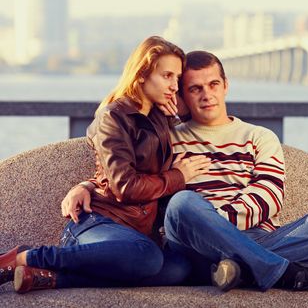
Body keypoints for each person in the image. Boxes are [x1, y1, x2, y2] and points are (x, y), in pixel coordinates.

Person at [0, 36, 210, 293]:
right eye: (166, 75)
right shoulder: (113, 116)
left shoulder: (158, 115)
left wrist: (87, 183)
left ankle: (49, 278)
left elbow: (204, 107)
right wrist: (178, 176)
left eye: (177, 78)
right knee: (148, 257)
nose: (174, 85)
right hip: (97, 224)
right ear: (142, 74)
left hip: (132, 235)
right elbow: (125, 187)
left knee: (180, 268)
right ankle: (26, 257)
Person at [162, 50, 308, 292]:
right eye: (195, 89)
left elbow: (269, 194)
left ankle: (239, 269)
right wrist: (209, 226)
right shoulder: (168, 140)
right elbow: (165, 203)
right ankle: (283, 272)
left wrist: (220, 226)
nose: (207, 95)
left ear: (225, 85)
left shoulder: (259, 136)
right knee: (183, 203)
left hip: (259, 237)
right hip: (196, 246)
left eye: (213, 84)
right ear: (183, 95)